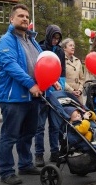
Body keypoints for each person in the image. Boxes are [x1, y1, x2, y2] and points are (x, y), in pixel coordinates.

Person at [0, 4, 48, 185]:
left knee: (28, 134)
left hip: (33, 96)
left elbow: (43, 62)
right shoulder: (6, 40)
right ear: (12, 19)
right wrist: (31, 84)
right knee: (9, 136)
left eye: (27, 16)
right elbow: (12, 67)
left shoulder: (31, 40)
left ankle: (25, 164)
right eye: (20, 16)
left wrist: (52, 79)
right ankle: (6, 171)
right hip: (13, 97)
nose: (25, 19)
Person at [35, 24, 66, 167]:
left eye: (58, 38)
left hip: (55, 93)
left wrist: (61, 88)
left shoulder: (60, 51)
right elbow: (39, 70)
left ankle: (55, 152)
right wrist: (50, 83)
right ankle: (39, 154)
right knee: (39, 126)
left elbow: (62, 71)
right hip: (42, 93)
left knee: (55, 126)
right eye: (54, 37)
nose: (55, 41)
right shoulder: (40, 48)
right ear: (49, 36)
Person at [61, 38, 85, 104]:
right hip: (67, 93)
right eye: (70, 45)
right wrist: (72, 90)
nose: (73, 47)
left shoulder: (78, 61)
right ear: (64, 48)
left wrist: (80, 90)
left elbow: (82, 78)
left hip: (78, 95)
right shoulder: (61, 60)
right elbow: (60, 79)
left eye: (73, 46)